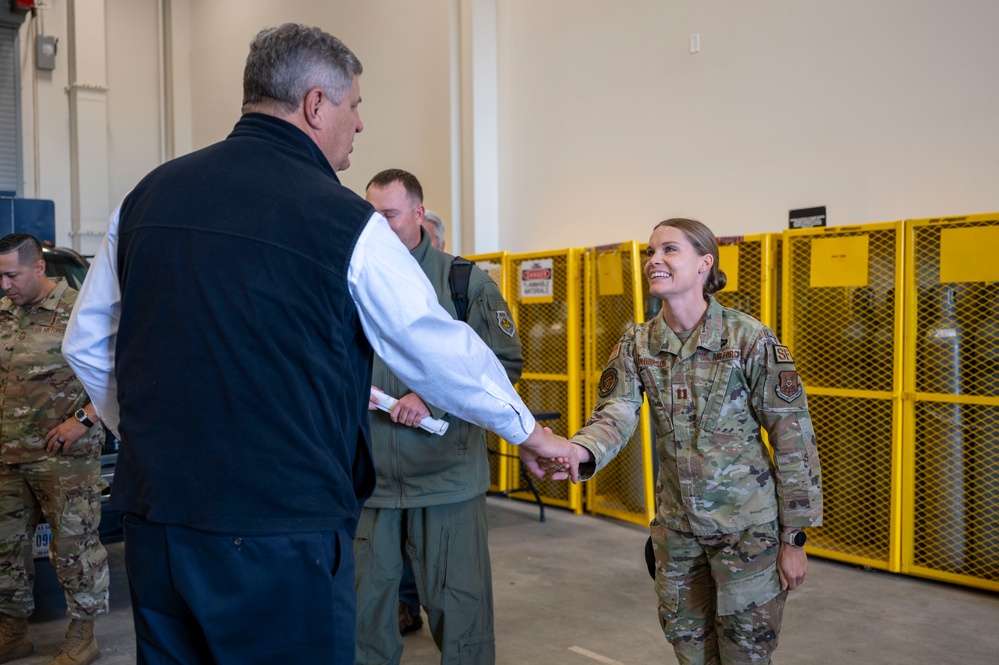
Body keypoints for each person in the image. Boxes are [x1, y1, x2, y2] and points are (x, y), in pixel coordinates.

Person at [61, 23, 574, 665]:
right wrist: (528, 431)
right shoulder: (340, 218)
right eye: (354, 105)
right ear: (315, 104)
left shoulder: (142, 199)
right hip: (281, 530)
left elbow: (84, 344)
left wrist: (154, 443)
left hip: (157, 522)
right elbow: (431, 344)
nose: (359, 124)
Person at [545, 218, 823, 665]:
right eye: (651, 252)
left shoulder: (748, 338)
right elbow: (614, 414)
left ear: (703, 264)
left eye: (670, 250)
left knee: (745, 655)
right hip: (677, 533)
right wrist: (579, 450)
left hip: (746, 533)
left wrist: (794, 538)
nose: (655, 260)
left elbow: (794, 441)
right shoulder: (637, 343)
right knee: (690, 652)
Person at [357, 170, 519, 664]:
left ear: (418, 214)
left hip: (447, 479)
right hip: (371, 482)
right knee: (363, 617)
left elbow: (503, 365)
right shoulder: (355, 279)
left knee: (461, 610)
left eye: (389, 215)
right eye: (371, 216)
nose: (378, 227)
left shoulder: (463, 282)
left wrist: (433, 401)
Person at [0, 233, 108, 665]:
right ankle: (13, 631)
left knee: (73, 549)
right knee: (5, 549)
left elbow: (119, 372)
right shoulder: (4, 313)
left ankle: (83, 636)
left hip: (63, 460)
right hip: (7, 456)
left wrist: (81, 421)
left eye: (11, 275)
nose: (4, 285)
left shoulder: (79, 311)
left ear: (39, 268)